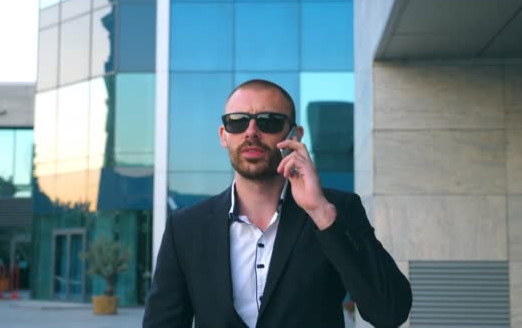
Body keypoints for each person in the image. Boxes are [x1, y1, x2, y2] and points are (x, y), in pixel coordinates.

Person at [143, 79, 412, 328]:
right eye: (237, 122)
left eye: (268, 121)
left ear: (295, 135)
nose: (251, 132)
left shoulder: (337, 209)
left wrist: (321, 213)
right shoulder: (187, 227)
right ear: (224, 135)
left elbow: (390, 312)